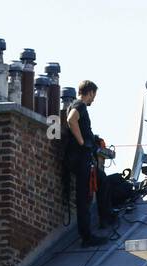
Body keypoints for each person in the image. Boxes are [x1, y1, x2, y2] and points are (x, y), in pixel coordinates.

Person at [64, 80, 117, 247]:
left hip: (81, 158)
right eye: (94, 95)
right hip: (80, 159)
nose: (94, 99)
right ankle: (86, 237)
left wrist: (91, 141)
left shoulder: (76, 105)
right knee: (84, 197)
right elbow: (72, 120)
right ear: (91, 92)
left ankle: (106, 217)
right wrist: (82, 142)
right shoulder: (79, 105)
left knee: (102, 180)